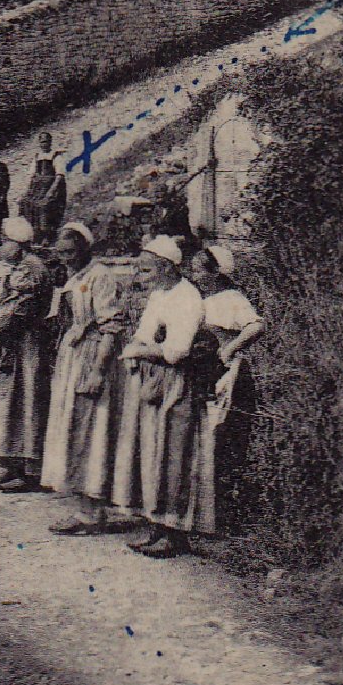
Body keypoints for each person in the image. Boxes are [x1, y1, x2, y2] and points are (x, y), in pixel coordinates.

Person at [110, 235, 205, 557]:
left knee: (174, 453)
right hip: (154, 379)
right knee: (152, 451)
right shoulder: (160, 294)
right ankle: (156, 527)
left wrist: (142, 351)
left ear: (166, 267)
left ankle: (175, 533)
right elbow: (142, 335)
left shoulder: (187, 297)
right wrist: (141, 349)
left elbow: (178, 351)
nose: (141, 276)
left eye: (147, 270)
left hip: (178, 382)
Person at [41, 224, 139, 534]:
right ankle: (84, 506)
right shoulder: (75, 278)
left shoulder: (101, 277)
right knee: (73, 427)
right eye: (61, 252)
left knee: (92, 430)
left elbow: (111, 328)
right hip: (74, 356)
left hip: (94, 357)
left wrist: (98, 371)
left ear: (85, 249)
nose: (65, 257)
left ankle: (91, 512)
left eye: (71, 251)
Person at [186, 244, 266, 536]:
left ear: (216, 272)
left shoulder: (231, 298)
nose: (194, 275)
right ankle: (205, 516)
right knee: (205, 441)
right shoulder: (202, 299)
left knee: (222, 440)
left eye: (199, 269)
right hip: (207, 374)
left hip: (228, 377)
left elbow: (256, 325)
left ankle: (222, 518)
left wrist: (230, 348)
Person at [0, 217, 54, 492]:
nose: (1, 246)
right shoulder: (14, 267)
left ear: (18, 244)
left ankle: (30, 471)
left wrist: (0, 333)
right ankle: (11, 465)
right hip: (11, 341)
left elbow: (19, 310)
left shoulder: (32, 270)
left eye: (6, 241)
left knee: (24, 399)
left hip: (24, 344)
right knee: (9, 401)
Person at [18, 132, 68, 244]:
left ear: (50, 142)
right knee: (26, 203)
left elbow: (59, 176)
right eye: (42, 142)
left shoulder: (56, 156)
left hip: (52, 188)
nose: (44, 144)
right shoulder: (37, 157)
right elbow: (31, 175)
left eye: (46, 141)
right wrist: (26, 191)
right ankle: (35, 234)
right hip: (38, 188)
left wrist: (51, 191)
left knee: (44, 206)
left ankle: (47, 235)